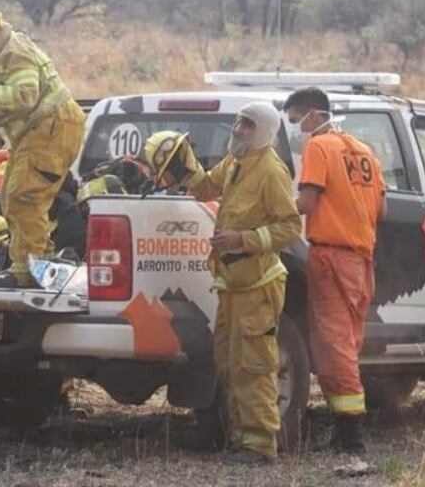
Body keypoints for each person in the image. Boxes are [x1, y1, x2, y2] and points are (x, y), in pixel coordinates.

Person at [144, 102, 302, 464]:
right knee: (229, 363)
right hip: (232, 283)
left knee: (255, 364)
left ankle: (260, 445)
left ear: (262, 130)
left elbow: (290, 227)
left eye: (246, 124)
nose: (237, 128)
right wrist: (180, 163)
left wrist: (243, 240)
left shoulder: (270, 171)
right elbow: (204, 187)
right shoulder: (235, 162)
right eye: (237, 122)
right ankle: (238, 438)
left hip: (259, 284)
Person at [0, 0, 86, 288]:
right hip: (39, 132)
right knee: (10, 197)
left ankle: (30, 273)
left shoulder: (15, 53)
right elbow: (8, 93)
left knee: (25, 197)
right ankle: (33, 264)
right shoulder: (2, 55)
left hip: (52, 129)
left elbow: (25, 96)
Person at [283, 87, 386, 454]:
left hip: (331, 256)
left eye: (296, 120)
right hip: (362, 259)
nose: (296, 129)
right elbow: (382, 210)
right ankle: (345, 432)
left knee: (333, 346)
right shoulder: (364, 150)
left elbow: (307, 201)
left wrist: (276, 206)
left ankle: (351, 437)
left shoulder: (319, 147)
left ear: (313, 115)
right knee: (349, 343)